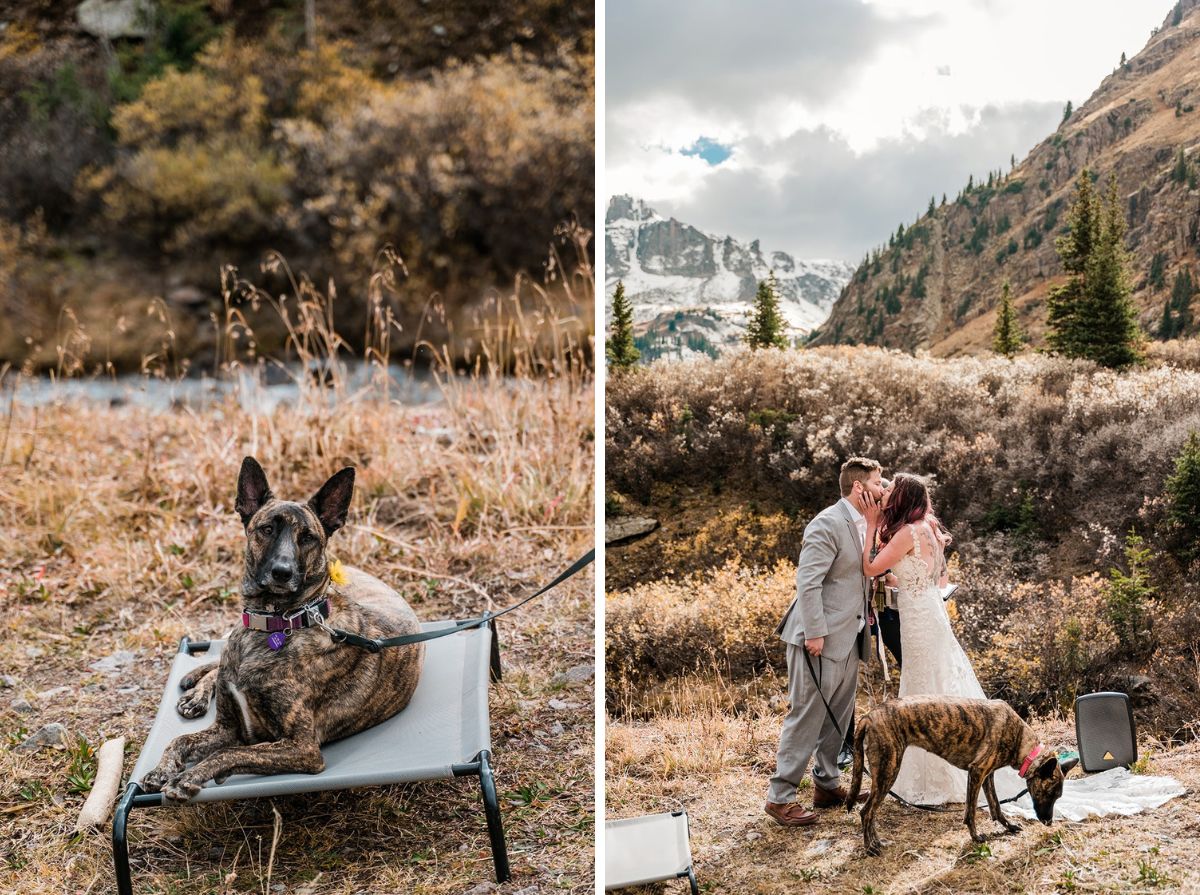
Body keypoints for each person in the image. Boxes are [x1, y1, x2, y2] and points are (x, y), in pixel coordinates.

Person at [861, 473, 1023, 805]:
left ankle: (935, 775)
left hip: (920, 620)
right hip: (929, 612)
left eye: (891, 491)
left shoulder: (908, 532)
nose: (885, 494)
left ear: (903, 497)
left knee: (923, 689)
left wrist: (869, 526)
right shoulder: (929, 528)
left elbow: (870, 568)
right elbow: (918, 577)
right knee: (939, 684)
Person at [765, 457, 881, 826]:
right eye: (879, 483)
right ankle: (780, 796)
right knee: (807, 714)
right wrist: (814, 632)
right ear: (859, 488)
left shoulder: (863, 524)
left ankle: (827, 784)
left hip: (850, 635)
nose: (884, 489)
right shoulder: (827, 523)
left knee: (839, 715)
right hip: (819, 637)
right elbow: (808, 581)